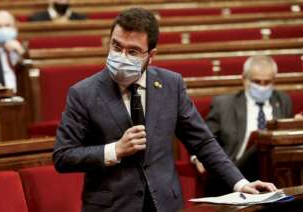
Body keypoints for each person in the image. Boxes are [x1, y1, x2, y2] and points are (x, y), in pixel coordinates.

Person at [54, 8, 276, 212]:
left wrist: (241, 183)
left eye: (133, 51)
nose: (121, 57)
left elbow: (202, 142)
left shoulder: (171, 85)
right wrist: (114, 150)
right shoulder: (83, 93)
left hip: (165, 205)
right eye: (116, 46)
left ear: (151, 56)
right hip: (112, 207)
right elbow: (63, 156)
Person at [192, 55, 293, 194]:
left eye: (267, 82)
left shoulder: (283, 101)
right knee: (261, 141)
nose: (262, 87)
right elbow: (203, 138)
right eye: (257, 81)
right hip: (237, 170)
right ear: (244, 80)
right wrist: (198, 157)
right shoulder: (224, 105)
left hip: (273, 173)